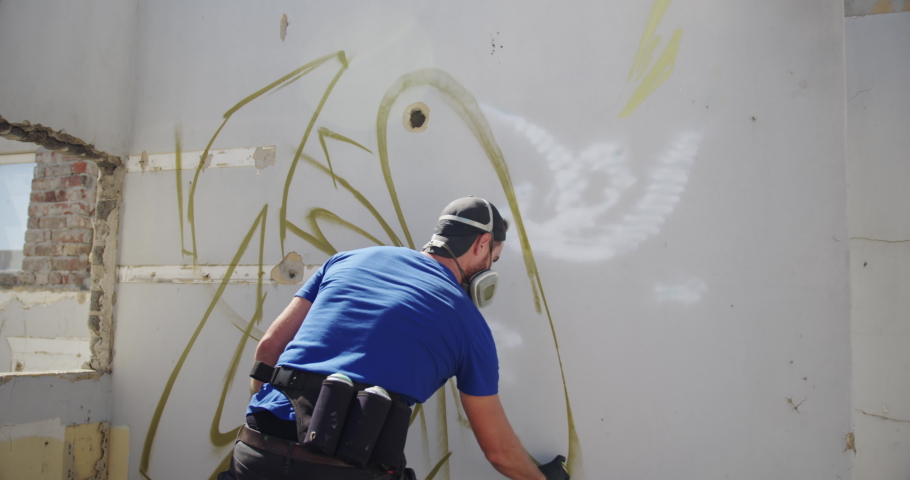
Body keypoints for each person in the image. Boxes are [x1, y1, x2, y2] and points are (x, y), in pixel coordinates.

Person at [219, 197, 569, 480]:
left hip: (256, 452)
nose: (490, 269)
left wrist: (274, 423)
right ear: (481, 244)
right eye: (493, 258)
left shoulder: (345, 261)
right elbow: (499, 451)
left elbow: (269, 348)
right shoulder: (469, 323)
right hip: (346, 470)